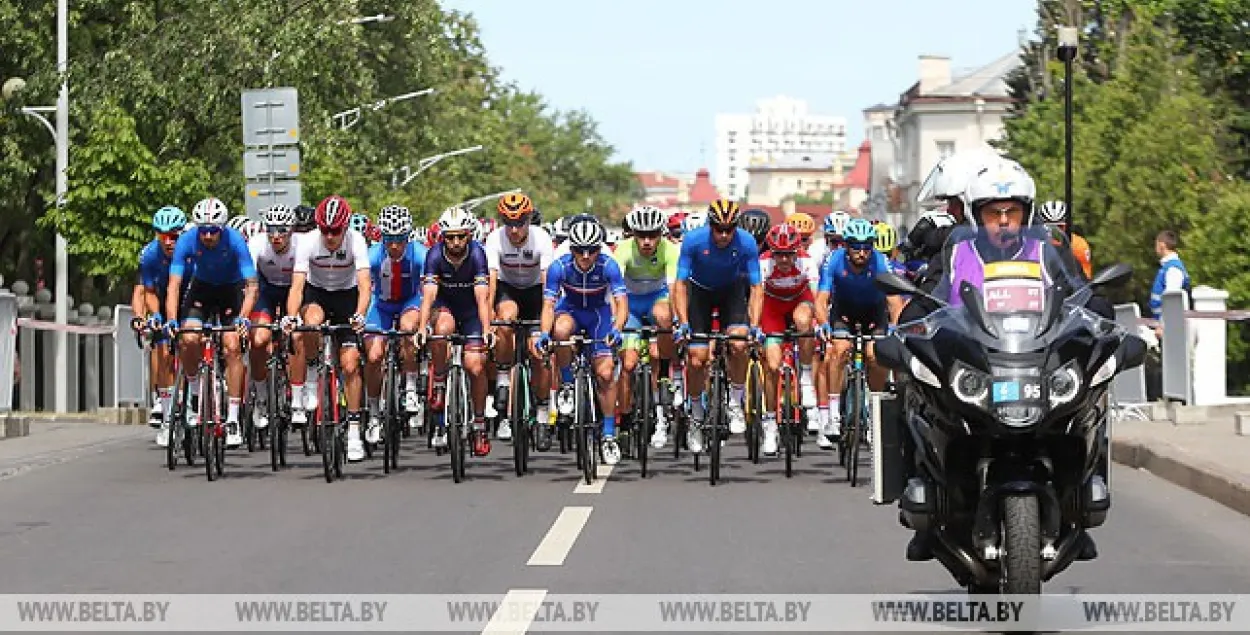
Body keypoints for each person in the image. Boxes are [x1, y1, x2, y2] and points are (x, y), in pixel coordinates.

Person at [164, 197, 259, 449]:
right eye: (203, 230)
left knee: (232, 346)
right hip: (202, 289)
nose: (207, 236)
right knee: (190, 338)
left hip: (231, 289)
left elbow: (251, 286)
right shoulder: (187, 240)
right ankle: (195, 394)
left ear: (222, 228)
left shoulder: (235, 240)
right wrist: (172, 320)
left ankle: (234, 418)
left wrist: (244, 317)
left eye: (213, 231)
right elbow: (174, 286)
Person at [533, 217, 628, 465]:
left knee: (606, 374)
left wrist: (617, 328)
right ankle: (566, 385)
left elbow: (621, 303)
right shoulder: (559, 267)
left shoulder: (609, 266)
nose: (586, 256)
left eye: (592, 250)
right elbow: (548, 305)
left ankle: (608, 435)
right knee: (560, 331)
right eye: (579, 250)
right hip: (571, 310)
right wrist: (545, 332)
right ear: (571, 248)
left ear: (600, 248)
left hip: (599, 314)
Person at [284, 195, 372, 461]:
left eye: (335, 231)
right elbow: (297, 286)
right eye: (325, 230)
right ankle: (311, 375)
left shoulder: (356, 240)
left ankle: (355, 433)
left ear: (345, 227)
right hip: (317, 293)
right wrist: (290, 316)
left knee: (350, 365)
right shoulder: (309, 241)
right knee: (309, 323)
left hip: (347, 296)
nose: (330, 236)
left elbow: (365, 285)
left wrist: (359, 314)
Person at [672, 199, 763, 453]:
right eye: (718, 229)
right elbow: (679, 285)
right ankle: (696, 416)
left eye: (729, 229)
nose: (723, 235)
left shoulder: (746, 242)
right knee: (697, 357)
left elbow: (756, 287)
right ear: (710, 225)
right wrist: (682, 322)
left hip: (731, 292)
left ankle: (736, 401)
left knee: (739, 343)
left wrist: (754, 325)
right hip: (699, 292)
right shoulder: (694, 241)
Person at [814, 219, 903, 447]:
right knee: (839, 350)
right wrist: (823, 323)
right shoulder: (833, 260)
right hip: (844, 313)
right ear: (846, 245)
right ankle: (833, 416)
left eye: (867, 246)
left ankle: (874, 413)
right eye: (856, 246)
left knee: (876, 355)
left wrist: (895, 327)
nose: (862, 252)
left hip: (874, 313)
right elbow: (822, 299)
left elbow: (894, 301)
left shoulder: (880, 261)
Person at [416, 206, 495, 456]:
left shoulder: (478, 255)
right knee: (442, 329)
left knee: (475, 365)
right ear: (443, 237)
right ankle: (439, 382)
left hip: (472, 310)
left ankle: (480, 425)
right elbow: (428, 296)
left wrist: (487, 329)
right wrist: (421, 327)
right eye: (450, 237)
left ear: (469, 235)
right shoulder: (434, 255)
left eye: (461, 236)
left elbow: (483, 298)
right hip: (446, 306)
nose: (456, 242)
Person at [485, 193, 554, 445]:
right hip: (508, 290)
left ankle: (544, 415)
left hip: (536, 293)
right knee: (505, 318)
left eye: (520, 223)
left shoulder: (542, 239)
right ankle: (503, 376)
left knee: (539, 353)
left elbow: (549, 286)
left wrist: (547, 322)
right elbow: (491, 282)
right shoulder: (495, 239)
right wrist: (490, 318)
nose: (514, 230)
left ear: (528, 220)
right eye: (509, 223)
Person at [613, 205, 679, 449]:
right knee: (628, 364)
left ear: (661, 234)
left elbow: (674, 290)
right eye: (642, 235)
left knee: (663, 316)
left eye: (653, 235)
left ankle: (664, 372)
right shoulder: (622, 250)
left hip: (658, 298)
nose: (647, 241)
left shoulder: (670, 250)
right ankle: (626, 418)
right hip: (629, 303)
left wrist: (677, 322)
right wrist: (615, 324)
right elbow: (615, 292)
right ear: (633, 234)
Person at [363, 205, 427, 442]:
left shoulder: (420, 255)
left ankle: (410, 388)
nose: (394, 246)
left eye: (399, 240)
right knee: (373, 356)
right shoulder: (371, 256)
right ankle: (372, 412)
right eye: (389, 239)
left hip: (410, 302)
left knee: (409, 328)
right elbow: (362, 289)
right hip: (380, 305)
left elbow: (430, 290)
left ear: (407, 237)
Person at [757, 224, 819, 455]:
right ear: (771, 252)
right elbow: (756, 298)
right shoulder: (763, 264)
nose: (783, 259)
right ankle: (771, 423)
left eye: (788, 254)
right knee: (772, 366)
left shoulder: (807, 262)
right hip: (772, 308)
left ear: (797, 251)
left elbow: (817, 294)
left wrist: (821, 323)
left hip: (799, 300)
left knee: (804, 320)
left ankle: (804, 375)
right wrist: (755, 328)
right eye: (778, 254)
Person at [135, 205, 187, 443]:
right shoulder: (149, 255)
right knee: (162, 348)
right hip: (162, 299)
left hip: (188, 298)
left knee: (191, 342)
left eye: (174, 236)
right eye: (162, 235)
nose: (168, 241)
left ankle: (194, 397)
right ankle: (166, 414)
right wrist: (152, 315)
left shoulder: (191, 252)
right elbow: (146, 291)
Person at [246, 204, 298, 432]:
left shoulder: (301, 246)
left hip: (293, 291)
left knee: (297, 336)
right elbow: (248, 283)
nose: (276, 236)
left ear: (292, 230)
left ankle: (297, 393)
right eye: (271, 230)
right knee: (258, 340)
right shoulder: (256, 243)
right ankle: (261, 397)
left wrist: (292, 316)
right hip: (265, 291)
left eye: (282, 230)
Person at [1037, 200, 1093, 279]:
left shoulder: (1078, 245)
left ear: (1067, 226)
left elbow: (1085, 280)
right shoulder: (1032, 244)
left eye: (1060, 226)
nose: (1054, 231)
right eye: (1049, 227)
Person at [1150, 229, 1191, 324]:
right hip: (1162, 322)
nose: (1155, 248)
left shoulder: (1173, 269)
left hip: (1169, 325)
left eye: (1156, 244)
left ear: (1162, 245)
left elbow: (1171, 300)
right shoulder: (1167, 267)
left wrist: (1163, 325)